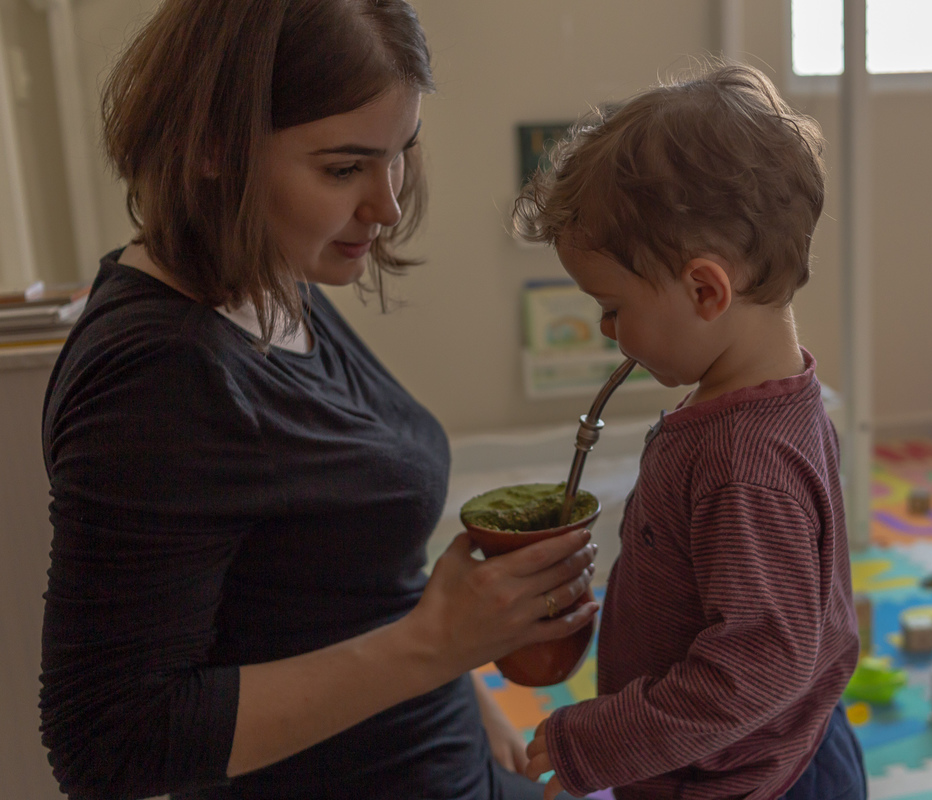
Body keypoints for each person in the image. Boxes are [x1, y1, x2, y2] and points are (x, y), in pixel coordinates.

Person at [39, 2, 598, 798]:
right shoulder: (161, 375)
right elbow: (109, 741)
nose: (388, 205)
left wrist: (468, 697)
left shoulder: (264, 278)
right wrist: (436, 647)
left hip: (446, 755)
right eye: (343, 169)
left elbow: (331, 585)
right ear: (212, 147)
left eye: (400, 152)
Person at [511, 63, 866, 800]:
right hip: (773, 752)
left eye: (612, 308)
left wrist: (600, 740)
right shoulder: (769, 403)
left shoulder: (743, 463)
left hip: (747, 782)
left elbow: (756, 667)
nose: (606, 330)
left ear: (705, 289)